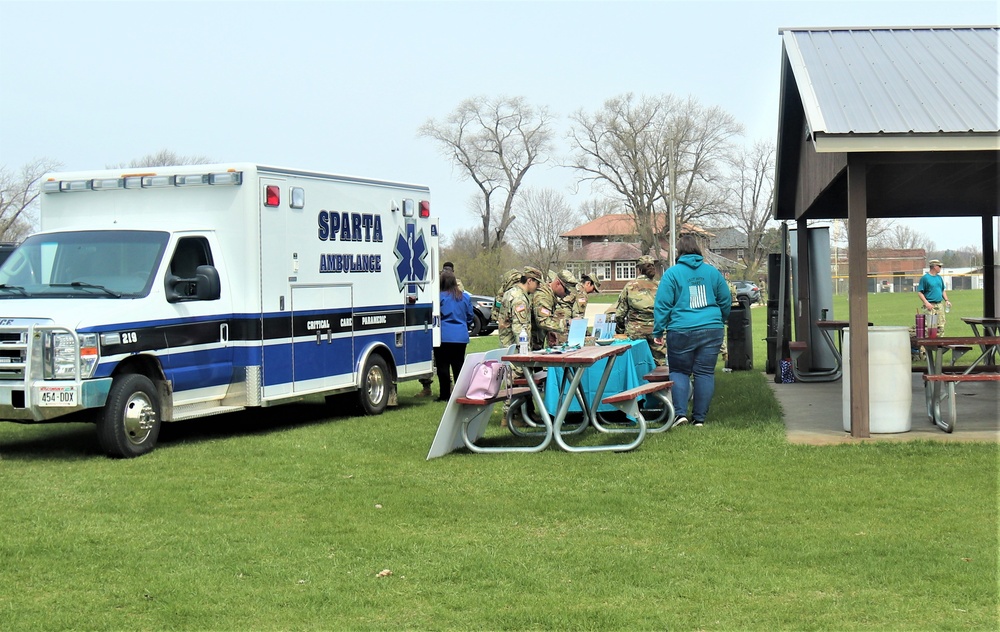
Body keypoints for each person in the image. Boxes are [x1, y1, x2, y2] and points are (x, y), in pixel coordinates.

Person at [652, 236, 731, 427]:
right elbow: (725, 299)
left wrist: (658, 331)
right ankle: (699, 418)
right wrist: (720, 319)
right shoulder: (712, 272)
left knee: (679, 371)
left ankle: (680, 414)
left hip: (680, 329)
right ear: (698, 250)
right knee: (704, 373)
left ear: (679, 252)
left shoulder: (672, 274)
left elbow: (662, 304)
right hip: (711, 329)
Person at [613, 255, 665, 366]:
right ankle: (661, 381)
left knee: (635, 363)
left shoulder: (630, 286)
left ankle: (637, 382)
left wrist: (620, 330)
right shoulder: (661, 285)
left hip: (635, 331)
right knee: (660, 363)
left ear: (639, 270)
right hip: (657, 330)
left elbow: (620, 314)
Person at [434, 270, 474, 401]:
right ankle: (460, 393)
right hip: (460, 336)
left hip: (443, 335)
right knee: (458, 366)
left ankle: (444, 394)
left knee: (443, 366)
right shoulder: (465, 297)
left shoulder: (439, 297)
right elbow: (470, 316)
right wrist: (464, 325)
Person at [531, 269, 575, 349]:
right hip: (527, 343)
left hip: (536, 342)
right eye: (566, 290)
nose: (566, 294)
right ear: (558, 283)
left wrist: (550, 331)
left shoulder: (550, 296)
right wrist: (567, 323)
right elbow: (543, 321)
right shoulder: (543, 296)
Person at [918, 259, 951, 334]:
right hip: (930, 305)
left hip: (939, 304)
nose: (940, 268)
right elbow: (920, 292)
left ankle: (939, 344)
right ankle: (928, 344)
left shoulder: (939, 278)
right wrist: (926, 303)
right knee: (930, 327)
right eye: (939, 266)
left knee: (941, 326)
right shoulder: (925, 278)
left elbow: (942, 290)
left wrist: (946, 300)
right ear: (934, 267)